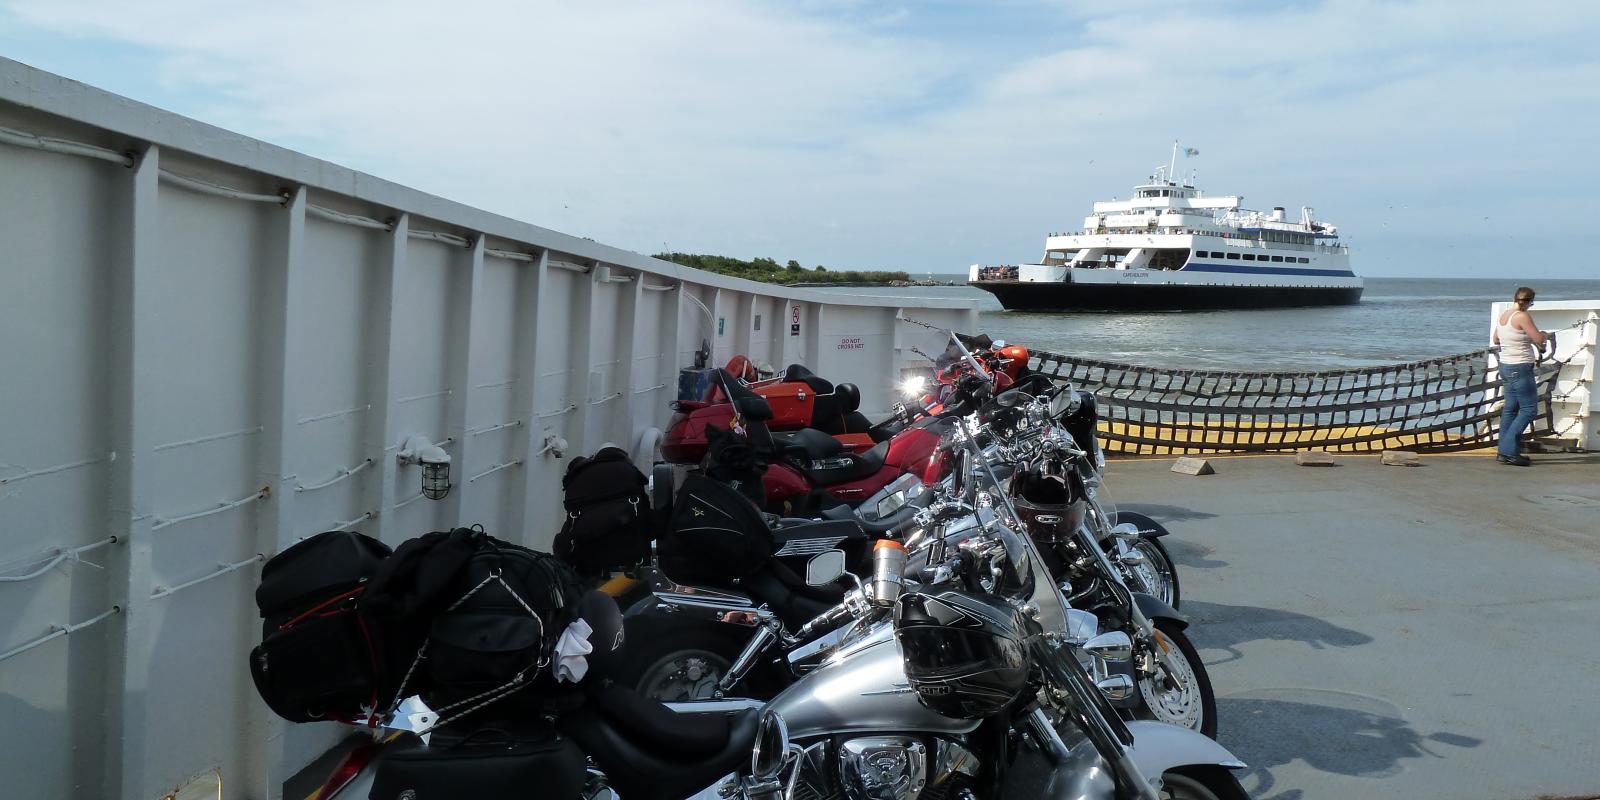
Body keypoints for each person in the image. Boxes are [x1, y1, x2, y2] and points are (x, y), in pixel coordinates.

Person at [1490, 287, 1548, 466]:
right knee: (1529, 409)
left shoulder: (1504, 315)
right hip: (1521, 367)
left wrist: (1519, 338)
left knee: (1511, 408)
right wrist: (1543, 336)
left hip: (1506, 366)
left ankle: (1503, 451)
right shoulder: (1522, 316)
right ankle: (1509, 452)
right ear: (1530, 301)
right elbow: (1538, 339)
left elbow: (1496, 340)